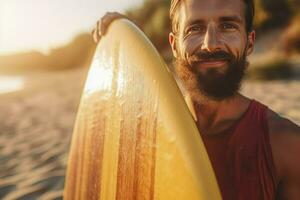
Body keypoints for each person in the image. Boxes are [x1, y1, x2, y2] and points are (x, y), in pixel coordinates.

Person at [92, 0, 300, 199]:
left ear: (250, 42)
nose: (210, 45)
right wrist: (129, 40)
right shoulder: (147, 137)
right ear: (174, 45)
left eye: (228, 26)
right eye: (194, 29)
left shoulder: (286, 145)